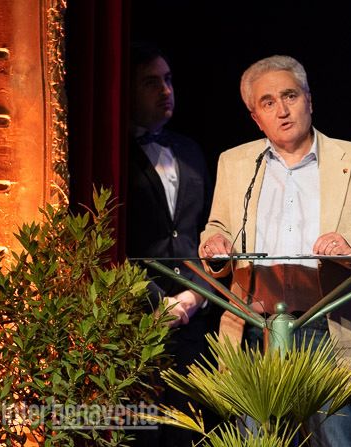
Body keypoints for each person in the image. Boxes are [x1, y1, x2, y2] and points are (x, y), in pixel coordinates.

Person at [199, 54, 351, 447]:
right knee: (259, 441)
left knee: (335, 440)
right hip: (256, 326)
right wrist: (215, 244)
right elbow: (218, 228)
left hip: (328, 324)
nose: (282, 110)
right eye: (268, 103)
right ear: (255, 117)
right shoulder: (235, 163)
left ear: (309, 99)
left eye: (290, 96)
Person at [125, 41, 220, 446]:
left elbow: (209, 230)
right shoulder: (109, 151)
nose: (165, 91)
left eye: (167, 80)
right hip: (135, 320)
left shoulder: (190, 150)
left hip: (193, 319)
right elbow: (108, 242)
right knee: (141, 433)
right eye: (151, 83)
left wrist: (194, 297)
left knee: (190, 432)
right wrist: (155, 302)